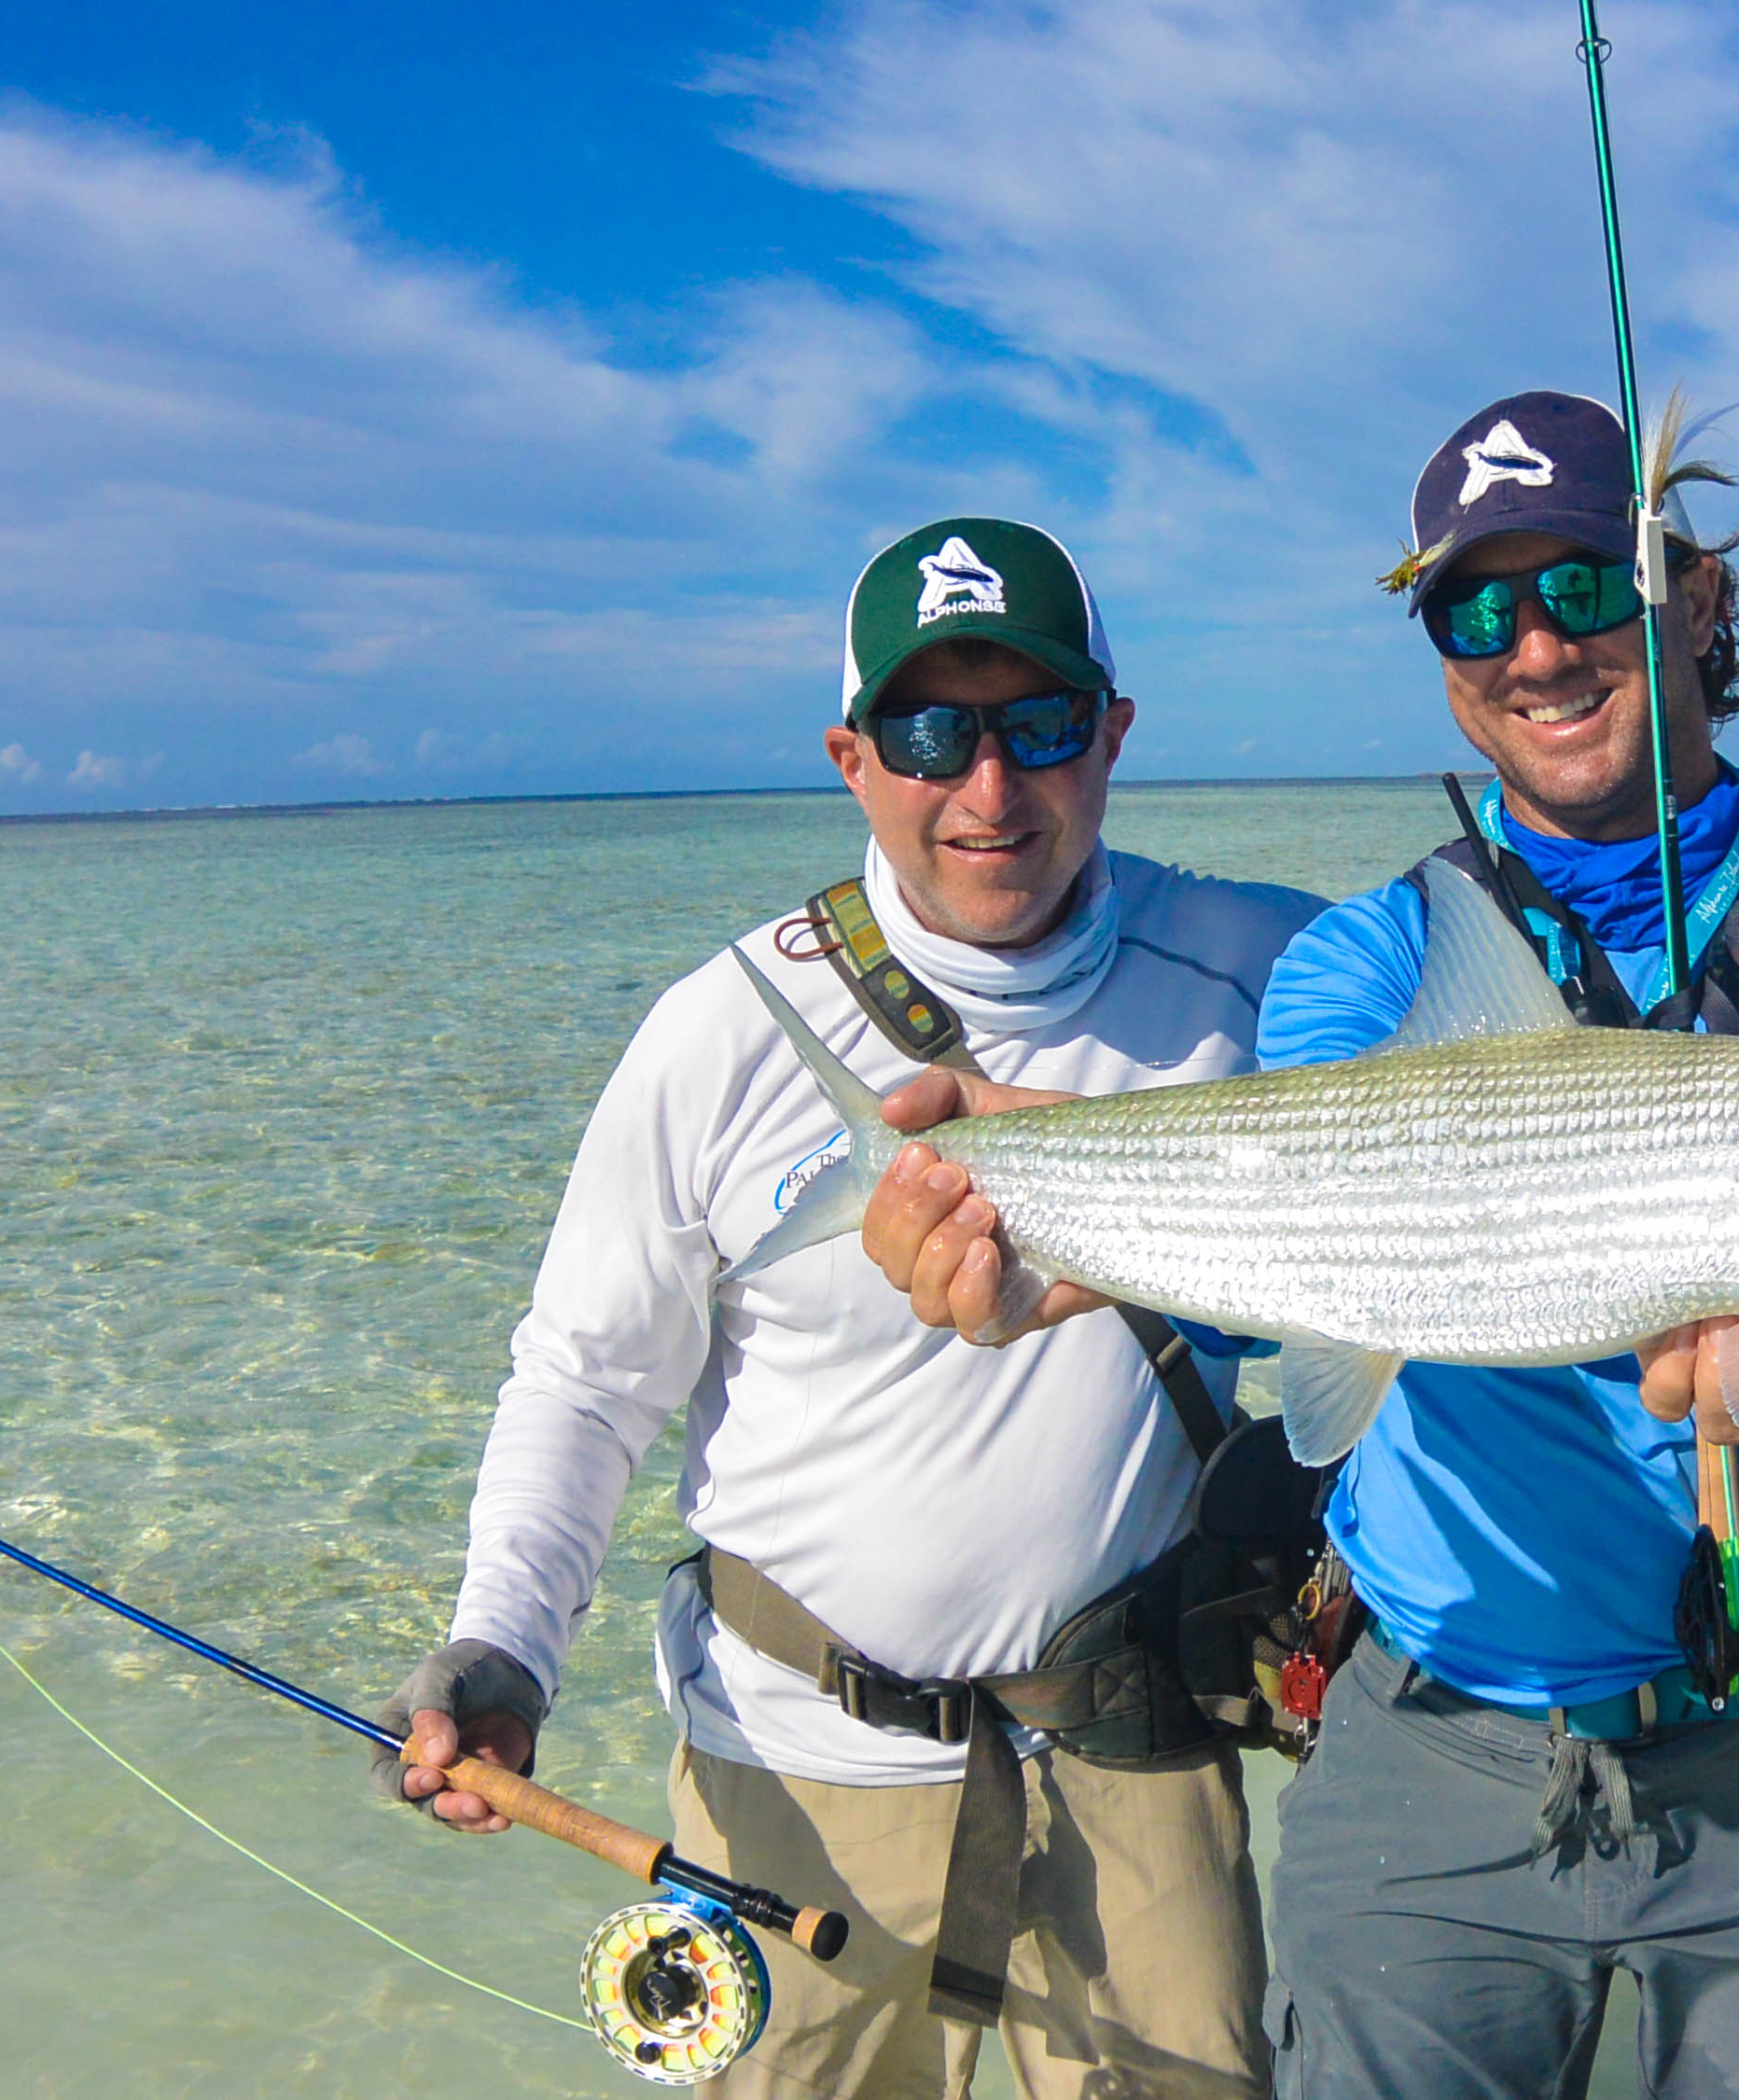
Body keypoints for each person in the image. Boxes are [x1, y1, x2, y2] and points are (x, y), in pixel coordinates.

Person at [875, 392, 1739, 2100]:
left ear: (1693, 603)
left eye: (1583, 590)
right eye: (1476, 608)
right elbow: (1330, 1262)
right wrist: (1048, 1219)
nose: (1534, 644)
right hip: (1430, 1746)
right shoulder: (1363, 966)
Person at [368, 515, 1321, 2100]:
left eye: (1040, 724)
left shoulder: (1272, 972)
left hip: (1139, 1755)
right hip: (796, 1777)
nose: (990, 788)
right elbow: (587, 1384)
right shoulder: (718, 1032)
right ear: (850, 754)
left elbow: (1536, 1037)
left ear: (1116, 737)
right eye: (931, 731)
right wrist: (505, 1653)